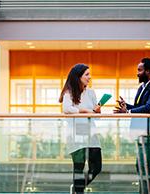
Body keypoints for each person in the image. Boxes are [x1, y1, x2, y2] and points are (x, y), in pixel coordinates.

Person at [114, 57, 150, 194]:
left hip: (149, 132)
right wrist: (127, 107)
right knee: (141, 165)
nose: (137, 73)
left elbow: (149, 107)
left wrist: (128, 111)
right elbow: (139, 107)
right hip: (140, 132)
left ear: (148, 71)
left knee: (147, 166)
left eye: (139, 70)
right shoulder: (142, 87)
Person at [59, 63, 102, 194]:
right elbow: (66, 109)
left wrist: (97, 112)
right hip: (76, 133)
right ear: (78, 76)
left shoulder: (91, 92)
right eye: (87, 74)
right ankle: (79, 191)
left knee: (97, 167)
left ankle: (78, 188)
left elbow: (95, 116)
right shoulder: (69, 92)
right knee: (79, 167)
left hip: (90, 132)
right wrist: (82, 110)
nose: (90, 77)